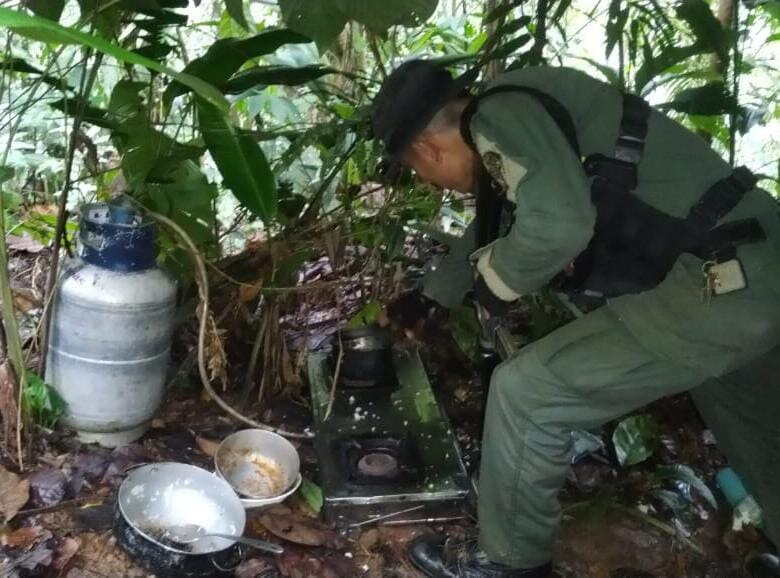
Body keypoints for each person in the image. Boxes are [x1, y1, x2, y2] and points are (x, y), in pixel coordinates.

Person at [371, 59, 780, 578]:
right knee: (761, 436)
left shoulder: (497, 119)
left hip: (715, 289)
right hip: (760, 267)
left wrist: (495, 287)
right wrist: (435, 295)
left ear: (426, 149)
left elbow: (558, 224)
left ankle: (511, 563)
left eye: (417, 172)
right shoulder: (518, 105)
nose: (433, 185)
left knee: (528, 394)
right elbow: (503, 218)